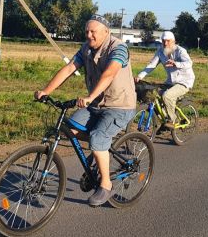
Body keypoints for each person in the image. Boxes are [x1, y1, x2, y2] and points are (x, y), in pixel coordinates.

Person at [34, 14, 136, 207]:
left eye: (93, 31)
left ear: (106, 32)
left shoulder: (118, 48)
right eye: (87, 31)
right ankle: (100, 151)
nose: (89, 35)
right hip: (96, 104)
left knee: (97, 137)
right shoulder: (86, 49)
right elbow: (69, 68)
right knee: (69, 129)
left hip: (119, 105)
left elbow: (110, 73)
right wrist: (46, 91)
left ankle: (106, 184)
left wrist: (89, 97)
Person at [135, 30, 195, 128]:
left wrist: (176, 64)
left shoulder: (180, 51)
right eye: (163, 41)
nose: (165, 43)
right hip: (170, 81)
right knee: (153, 95)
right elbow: (151, 65)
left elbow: (189, 63)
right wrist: (140, 76)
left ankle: (172, 120)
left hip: (184, 81)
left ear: (173, 41)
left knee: (167, 96)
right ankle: (164, 121)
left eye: (168, 41)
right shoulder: (160, 51)